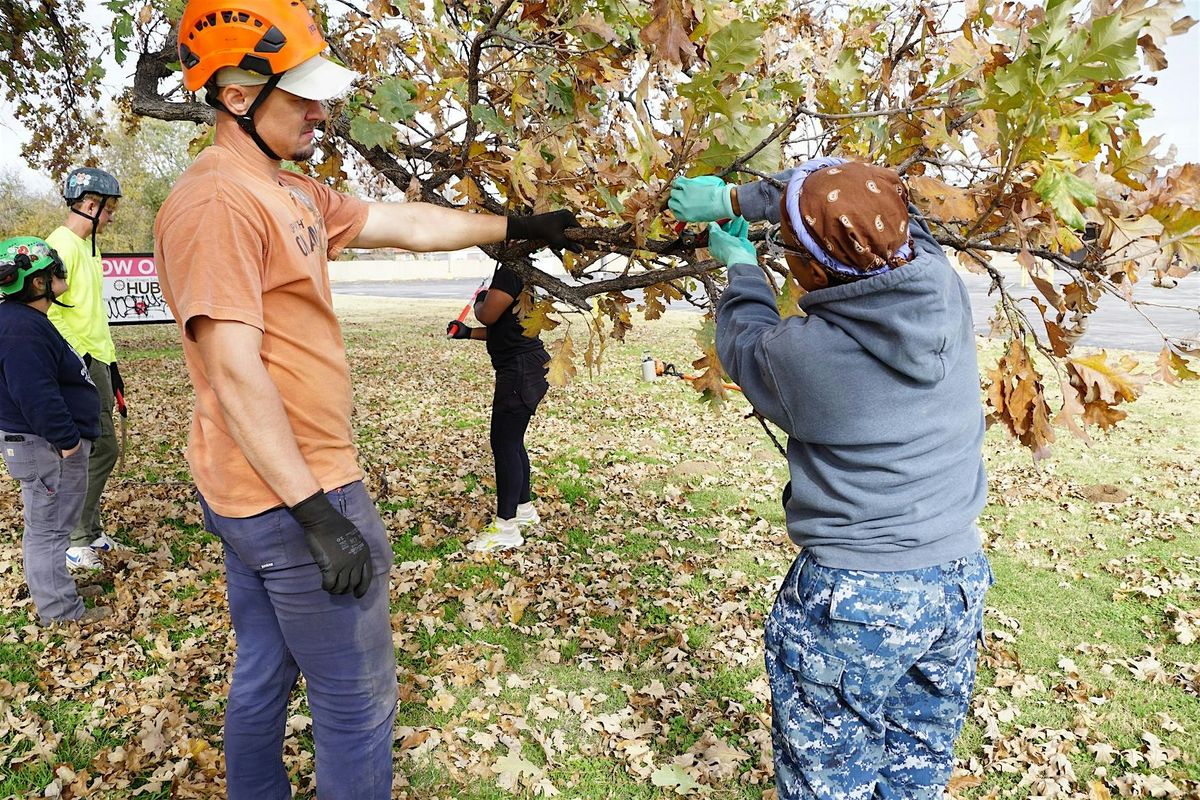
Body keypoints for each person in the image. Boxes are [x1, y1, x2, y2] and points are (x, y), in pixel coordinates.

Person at [156, 1, 582, 797]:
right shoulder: (218, 202)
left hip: (263, 487)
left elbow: (404, 221)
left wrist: (511, 224)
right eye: (302, 95)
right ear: (239, 96)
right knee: (356, 704)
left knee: (265, 672)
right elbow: (232, 369)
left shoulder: (286, 189)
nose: (321, 111)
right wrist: (318, 514)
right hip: (292, 492)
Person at [671, 159, 992, 799]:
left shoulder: (811, 359)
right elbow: (883, 201)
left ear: (815, 270)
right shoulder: (940, 287)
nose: (785, 258)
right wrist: (749, 197)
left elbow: (744, 342)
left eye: (790, 248)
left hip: (854, 597)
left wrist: (739, 263)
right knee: (915, 767)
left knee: (827, 781)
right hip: (955, 581)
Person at [0, 237, 109, 626]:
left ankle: (60, 593)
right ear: (38, 282)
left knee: (54, 524)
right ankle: (61, 613)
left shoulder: (25, 322)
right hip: (44, 444)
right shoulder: (20, 329)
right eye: (54, 270)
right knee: (47, 529)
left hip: (45, 442)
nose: (61, 274)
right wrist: (66, 441)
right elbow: (34, 393)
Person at [46, 166, 124, 571]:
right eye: (108, 210)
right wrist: (74, 365)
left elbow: (90, 313)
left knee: (100, 448)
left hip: (98, 360)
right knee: (95, 450)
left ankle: (89, 530)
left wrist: (110, 363)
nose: (110, 218)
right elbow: (47, 315)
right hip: (78, 364)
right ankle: (75, 538)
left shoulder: (89, 248)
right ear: (90, 206)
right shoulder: (59, 247)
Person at [446, 266, 549, 552]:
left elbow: (488, 314)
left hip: (520, 373)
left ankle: (506, 528)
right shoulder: (523, 272)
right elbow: (505, 330)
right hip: (528, 368)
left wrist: (481, 298)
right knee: (512, 444)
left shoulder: (510, 271)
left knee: (504, 446)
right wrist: (467, 333)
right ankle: (524, 510)